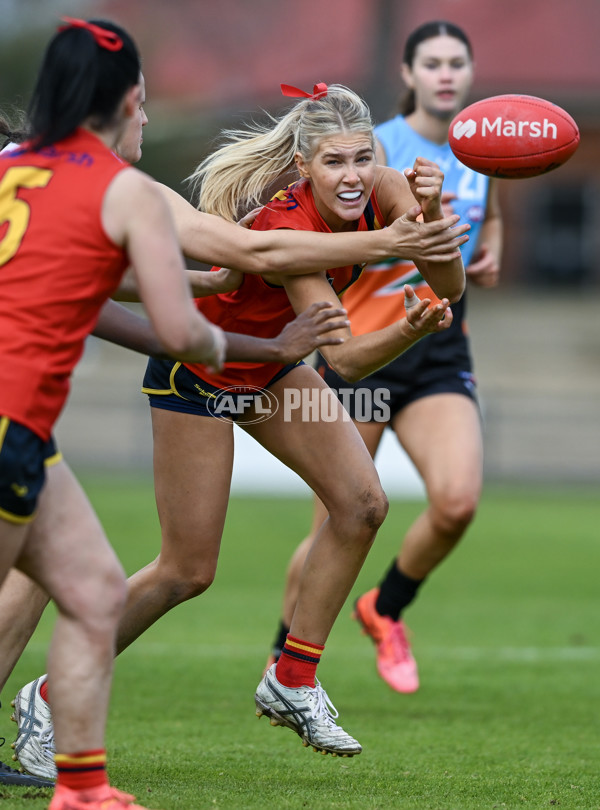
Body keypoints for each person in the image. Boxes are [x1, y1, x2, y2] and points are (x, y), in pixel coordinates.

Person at [0, 17, 362, 809]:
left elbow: (93, 298)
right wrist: (276, 342)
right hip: (13, 421)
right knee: (88, 583)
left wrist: (192, 285)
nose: (151, 118)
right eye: (147, 104)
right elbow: (228, 285)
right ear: (127, 101)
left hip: (26, 430)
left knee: (90, 591)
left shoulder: (13, 166)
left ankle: (83, 787)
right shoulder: (119, 186)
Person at [264, 20, 503, 695]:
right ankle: (282, 665)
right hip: (363, 352)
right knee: (336, 523)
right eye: (433, 62)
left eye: (459, 60)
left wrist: (491, 247)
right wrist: (418, 218)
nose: (447, 74)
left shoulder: (483, 147)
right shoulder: (373, 151)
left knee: (457, 502)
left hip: (437, 340)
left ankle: (385, 606)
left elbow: (488, 217)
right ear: (407, 73)